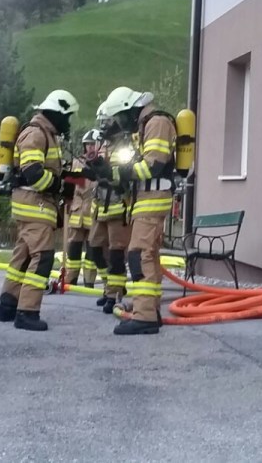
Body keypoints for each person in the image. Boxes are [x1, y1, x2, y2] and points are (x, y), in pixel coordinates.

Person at [93, 87, 177, 335]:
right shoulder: (145, 126)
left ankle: (144, 316)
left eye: (120, 117)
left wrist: (119, 172)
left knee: (139, 255)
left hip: (152, 199)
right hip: (144, 199)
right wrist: (108, 172)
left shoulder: (157, 123)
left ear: (130, 110)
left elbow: (152, 166)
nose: (120, 123)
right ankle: (150, 310)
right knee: (147, 255)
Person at [0, 89, 78, 331]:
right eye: (67, 117)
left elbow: (46, 169)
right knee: (42, 258)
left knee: (22, 257)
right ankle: (27, 312)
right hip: (36, 206)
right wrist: (60, 186)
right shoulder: (36, 133)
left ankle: (8, 305)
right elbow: (33, 173)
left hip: (31, 205)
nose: (68, 122)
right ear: (56, 113)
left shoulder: (46, 134)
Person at [84, 126, 133, 315]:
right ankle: (108, 287)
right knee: (95, 249)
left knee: (116, 254)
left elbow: (125, 178)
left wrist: (107, 172)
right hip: (100, 210)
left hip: (118, 209)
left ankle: (114, 294)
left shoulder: (126, 148)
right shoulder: (103, 147)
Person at [63, 129, 102, 287]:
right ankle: (70, 279)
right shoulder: (77, 162)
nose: (90, 147)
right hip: (77, 210)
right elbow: (70, 184)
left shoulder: (104, 163)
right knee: (73, 247)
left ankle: (89, 282)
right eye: (88, 145)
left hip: (93, 211)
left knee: (92, 249)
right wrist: (66, 200)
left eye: (93, 144)